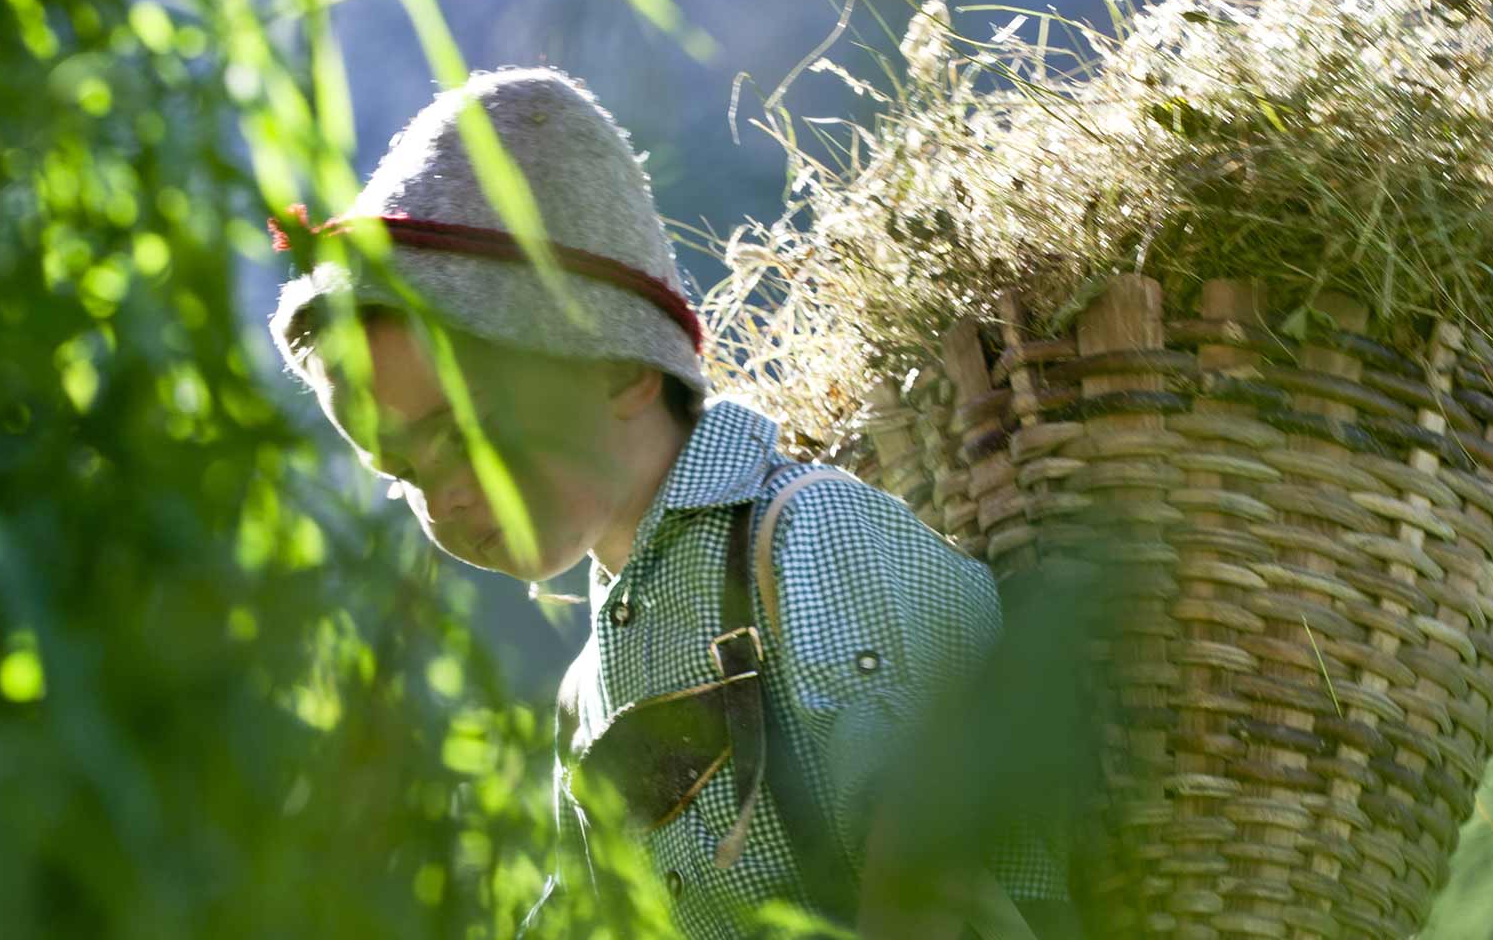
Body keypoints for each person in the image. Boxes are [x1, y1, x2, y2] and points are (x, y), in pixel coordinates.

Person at [263, 67, 1071, 939]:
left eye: (466, 433)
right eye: (404, 474)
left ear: (620, 366)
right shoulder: (588, 688)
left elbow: (929, 882)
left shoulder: (807, 542)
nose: (447, 495)